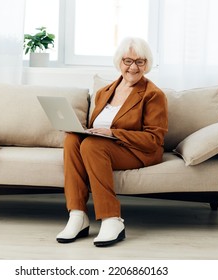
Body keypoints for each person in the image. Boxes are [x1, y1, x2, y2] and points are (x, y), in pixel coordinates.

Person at [56, 37, 168, 247]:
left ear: (147, 64)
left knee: (92, 145)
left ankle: (112, 219)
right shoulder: (104, 92)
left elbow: (154, 140)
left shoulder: (153, 95)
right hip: (104, 148)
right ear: (119, 62)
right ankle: (77, 215)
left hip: (137, 151)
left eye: (140, 62)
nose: (133, 67)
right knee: (72, 139)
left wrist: (112, 133)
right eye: (128, 61)